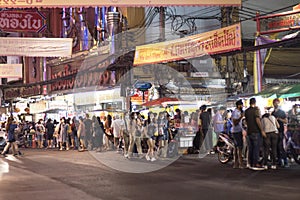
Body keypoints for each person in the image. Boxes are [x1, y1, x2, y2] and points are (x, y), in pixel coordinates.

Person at [244, 98, 266, 170]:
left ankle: (250, 163)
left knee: (250, 148)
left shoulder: (246, 111)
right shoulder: (256, 110)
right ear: (255, 102)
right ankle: (255, 163)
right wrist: (262, 130)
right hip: (256, 131)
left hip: (249, 131)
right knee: (256, 148)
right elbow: (257, 120)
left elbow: (246, 122)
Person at [271, 98, 289, 168]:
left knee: (280, 146)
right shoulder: (272, 113)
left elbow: (286, 121)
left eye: (277, 103)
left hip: (280, 131)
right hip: (275, 131)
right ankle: (279, 161)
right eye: (274, 103)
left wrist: (279, 119)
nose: (276, 104)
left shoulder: (282, 112)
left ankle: (285, 161)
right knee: (276, 147)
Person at [231, 100, 245, 169]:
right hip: (236, 132)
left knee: (237, 148)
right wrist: (241, 117)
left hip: (239, 131)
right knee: (238, 147)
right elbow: (234, 122)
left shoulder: (239, 112)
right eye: (241, 105)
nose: (242, 106)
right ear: (239, 105)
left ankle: (236, 163)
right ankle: (239, 163)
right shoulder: (235, 112)